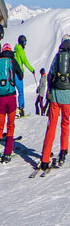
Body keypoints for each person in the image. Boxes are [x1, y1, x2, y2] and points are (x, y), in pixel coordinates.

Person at [0, 44, 23, 161]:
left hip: (1, 98)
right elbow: (21, 76)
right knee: (10, 126)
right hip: (11, 97)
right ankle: (7, 152)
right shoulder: (12, 60)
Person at [41, 38, 70, 173]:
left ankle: (45, 159)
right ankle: (63, 151)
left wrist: (49, 92)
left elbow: (50, 75)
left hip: (55, 96)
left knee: (51, 126)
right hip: (67, 97)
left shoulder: (57, 57)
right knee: (65, 123)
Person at [13, 35, 35, 116]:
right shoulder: (20, 51)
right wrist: (32, 70)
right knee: (21, 92)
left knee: (13, 91)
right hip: (18, 73)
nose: (25, 45)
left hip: (13, 73)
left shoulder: (15, 50)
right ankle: (21, 109)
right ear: (21, 42)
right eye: (24, 43)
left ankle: (12, 108)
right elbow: (25, 61)